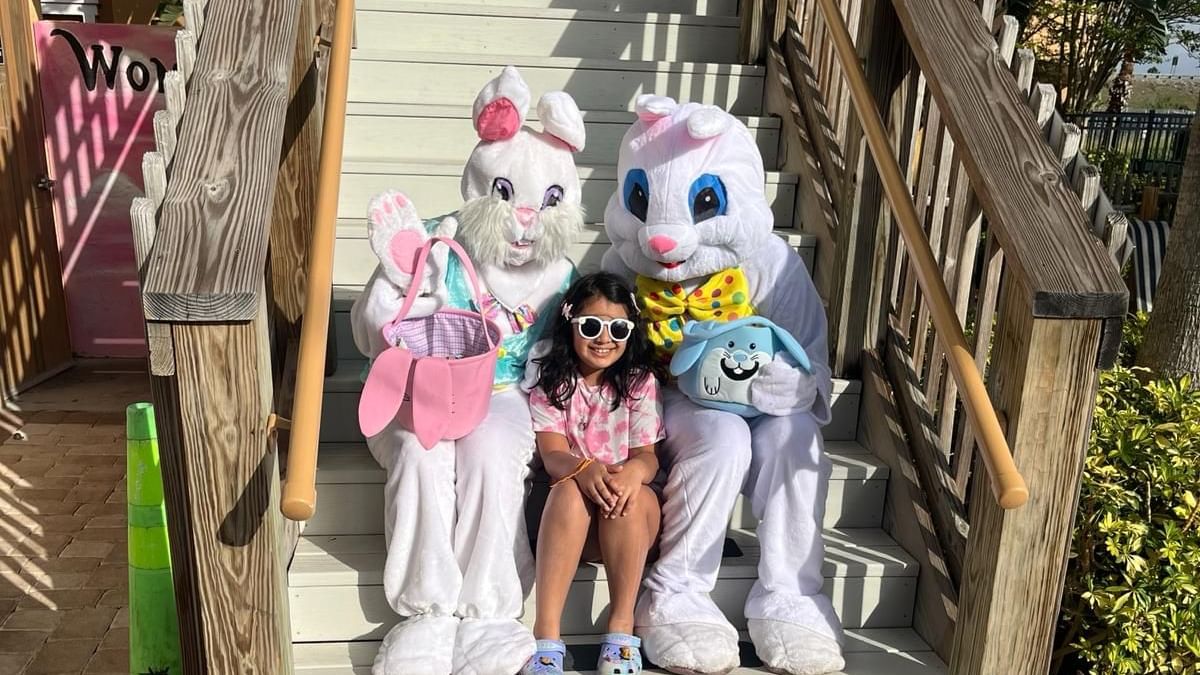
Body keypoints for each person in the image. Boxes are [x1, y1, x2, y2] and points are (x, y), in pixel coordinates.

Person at [522, 273, 665, 675]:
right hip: (571, 524)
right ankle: (547, 633)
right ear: (571, 325)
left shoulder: (639, 383)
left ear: (630, 331)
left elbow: (648, 456)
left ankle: (621, 625)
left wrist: (633, 473)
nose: (604, 339)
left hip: (628, 526)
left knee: (631, 494)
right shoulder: (552, 381)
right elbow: (552, 454)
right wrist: (584, 469)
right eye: (590, 326)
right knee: (568, 490)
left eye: (617, 328)